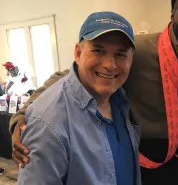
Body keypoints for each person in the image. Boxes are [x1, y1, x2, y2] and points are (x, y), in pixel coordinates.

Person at [10, 0, 178, 184]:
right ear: (173, 12)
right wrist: (20, 117)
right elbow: (67, 75)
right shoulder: (139, 49)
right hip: (143, 150)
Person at [16, 12, 140, 185]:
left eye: (120, 54)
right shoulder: (49, 122)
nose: (110, 65)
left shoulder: (120, 99)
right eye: (98, 50)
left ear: (131, 60)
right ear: (78, 52)